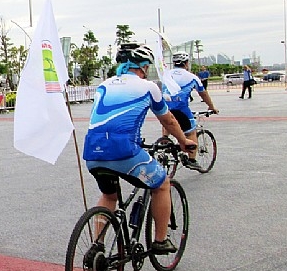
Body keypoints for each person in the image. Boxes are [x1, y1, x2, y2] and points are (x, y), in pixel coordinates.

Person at [83, 43, 193, 255]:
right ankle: (160, 241)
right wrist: (183, 140)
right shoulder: (149, 87)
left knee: (109, 196)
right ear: (142, 67)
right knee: (162, 184)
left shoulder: (103, 86)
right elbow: (168, 120)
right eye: (147, 66)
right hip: (124, 151)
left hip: (93, 152)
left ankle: (97, 247)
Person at [162, 53, 219, 169]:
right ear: (186, 63)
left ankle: (164, 144)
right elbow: (203, 94)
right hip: (181, 109)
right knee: (191, 132)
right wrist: (212, 107)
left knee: (168, 123)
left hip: (165, 108)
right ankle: (192, 159)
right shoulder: (192, 77)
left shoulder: (165, 75)